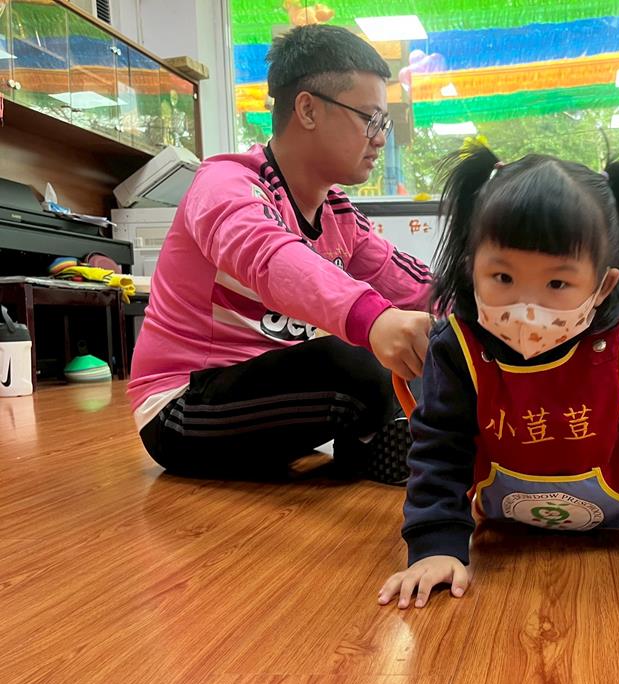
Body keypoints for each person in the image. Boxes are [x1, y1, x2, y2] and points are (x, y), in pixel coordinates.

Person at [378, 144, 619, 609]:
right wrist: (435, 546)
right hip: (509, 531)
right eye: (503, 278)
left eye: (557, 283)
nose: (526, 307)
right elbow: (439, 445)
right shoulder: (458, 346)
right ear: (472, 267)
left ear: (604, 285)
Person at [128, 25, 434, 483]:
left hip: (273, 396)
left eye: (383, 125)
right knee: (360, 360)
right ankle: (378, 443)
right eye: (371, 119)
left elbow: (413, 284)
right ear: (308, 109)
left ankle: (381, 441)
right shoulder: (225, 185)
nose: (380, 139)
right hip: (182, 411)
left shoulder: (339, 215)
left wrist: (494, 306)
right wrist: (374, 320)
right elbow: (272, 257)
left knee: (425, 349)